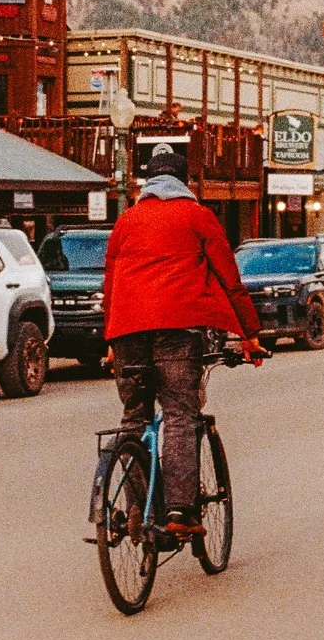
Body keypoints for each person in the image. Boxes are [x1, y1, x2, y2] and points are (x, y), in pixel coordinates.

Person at [101, 144, 264, 536]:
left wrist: (111, 339)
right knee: (179, 415)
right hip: (178, 331)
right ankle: (179, 513)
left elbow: (111, 283)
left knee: (133, 418)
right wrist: (250, 334)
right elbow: (229, 277)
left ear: (148, 182)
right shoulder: (197, 216)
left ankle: (137, 512)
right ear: (184, 181)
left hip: (126, 332)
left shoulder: (126, 221)